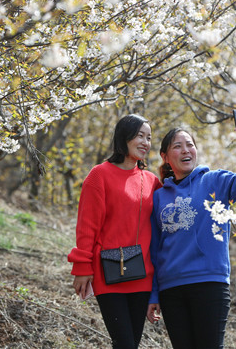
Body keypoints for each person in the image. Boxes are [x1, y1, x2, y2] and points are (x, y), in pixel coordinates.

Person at [146, 125, 236, 349]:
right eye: (177, 147)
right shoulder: (159, 197)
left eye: (190, 145)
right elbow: (154, 248)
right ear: (165, 157)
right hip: (172, 290)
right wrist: (153, 293)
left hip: (209, 283)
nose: (185, 150)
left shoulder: (215, 181)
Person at [68, 114, 162, 349]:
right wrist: (82, 267)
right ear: (124, 137)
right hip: (108, 272)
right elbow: (87, 226)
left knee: (131, 344)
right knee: (124, 343)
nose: (145, 142)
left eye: (149, 137)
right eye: (140, 135)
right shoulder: (99, 175)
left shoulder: (151, 181)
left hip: (142, 275)